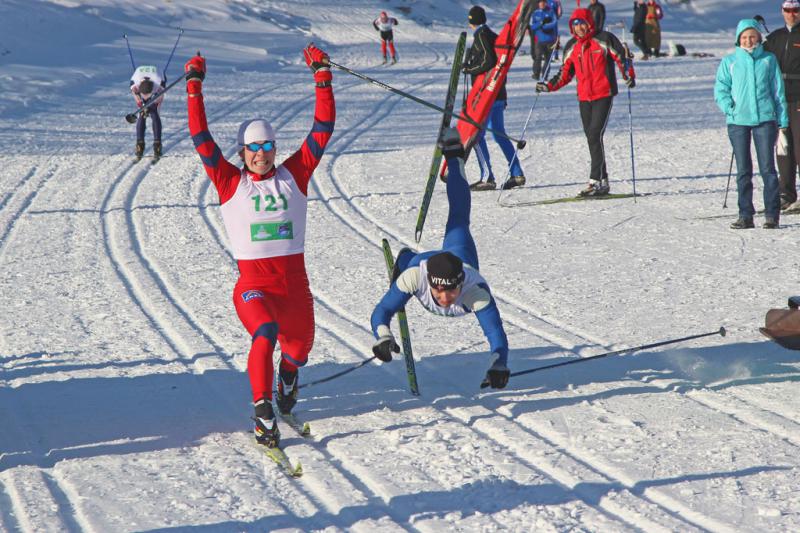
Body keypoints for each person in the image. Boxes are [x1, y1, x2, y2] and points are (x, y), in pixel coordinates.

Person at [184, 44, 335, 447]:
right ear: (242, 151)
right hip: (254, 284)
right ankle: (262, 410)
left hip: (294, 285)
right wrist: (194, 86)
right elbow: (200, 136)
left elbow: (322, 129)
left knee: (299, 351)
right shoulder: (231, 181)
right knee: (264, 333)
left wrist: (322, 76)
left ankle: (288, 376)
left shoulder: (295, 175)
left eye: (268, 147)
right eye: (254, 148)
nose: (262, 155)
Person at [370, 128, 511, 390]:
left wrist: (498, 364)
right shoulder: (416, 277)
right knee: (410, 263)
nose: (446, 298)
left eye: (452, 290)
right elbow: (382, 311)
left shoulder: (475, 291)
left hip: (461, 257)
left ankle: (455, 157)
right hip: (422, 263)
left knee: (459, 218)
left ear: (461, 284)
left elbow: (497, 337)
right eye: (440, 291)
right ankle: (405, 257)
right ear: (431, 285)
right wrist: (383, 336)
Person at [536, 8, 635, 197]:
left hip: (604, 94)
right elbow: (564, 74)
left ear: (589, 23)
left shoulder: (604, 39)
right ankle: (603, 181)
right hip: (584, 97)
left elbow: (622, 59)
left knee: (594, 134)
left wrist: (628, 76)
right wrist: (548, 86)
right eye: (575, 24)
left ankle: (594, 181)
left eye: (582, 23)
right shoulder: (572, 46)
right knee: (593, 138)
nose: (579, 28)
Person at [715, 19, 788, 229]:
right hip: (738, 122)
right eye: (745, 37)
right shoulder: (730, 61)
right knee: (743, 170)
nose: (748, 40)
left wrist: (782, 122)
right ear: (739, 39)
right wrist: (730, 107)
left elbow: (777, 92)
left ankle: (772, 214)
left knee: (768, 169)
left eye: (752, 36)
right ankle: (745, 214)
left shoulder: (768, 60)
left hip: (765, 120)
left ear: (758, 37)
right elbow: (721, 89)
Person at [463, 5, 526, 191]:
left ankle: (487, 177)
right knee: (499, 135)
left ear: (471, 22)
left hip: (487, 96)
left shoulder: (481, 36)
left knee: (476, 137)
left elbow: (489, 61)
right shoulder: (492, 35)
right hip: (498, 93)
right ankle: (517, 173)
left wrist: (469, 69)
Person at [765, 0, 800, 211]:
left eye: (795, 10)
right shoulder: (775, 37)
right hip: (779, 100)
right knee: (783, 148)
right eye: (788, 10)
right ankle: (785, 193)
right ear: (782, 12)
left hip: (798, 98)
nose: (792, 14)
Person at [130, 65, 166, 160]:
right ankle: (139, 144)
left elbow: (159, 98)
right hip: (140, 75)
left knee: (154, 112)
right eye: (144, 95)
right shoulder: (134, 83)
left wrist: (152, 105)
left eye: (148, 95)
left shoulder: (159, 83)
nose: (146, 97)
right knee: (142, 113)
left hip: (157, 74)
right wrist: (141, 105)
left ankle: (157, 145)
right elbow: (136, 97)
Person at [529, 0, 559, 81]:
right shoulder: (535, 13)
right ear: (538, 4)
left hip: (550, 40)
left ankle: (545, 75)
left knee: (548, 59)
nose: (542, 4)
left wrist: (545, 26)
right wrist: (541, 23)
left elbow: (554, 24)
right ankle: (536, 74)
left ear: (546, 3)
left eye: (543, 2)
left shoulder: (551, 12)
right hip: (539, 40)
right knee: (537, 57)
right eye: (540, 2)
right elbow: (532, 26)